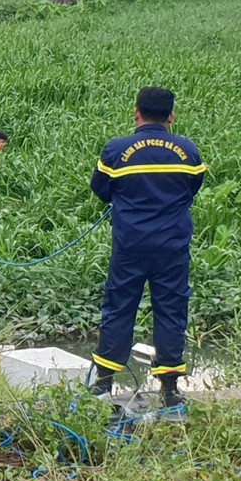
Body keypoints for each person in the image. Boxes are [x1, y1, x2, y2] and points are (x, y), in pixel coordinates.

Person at [90, 87, 206, 408]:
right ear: (171, 116)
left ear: (137, 112)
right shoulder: (188, 152)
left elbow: (101, 188)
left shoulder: (117, 150)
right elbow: (193, 187)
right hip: (172, 248)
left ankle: (103, 385)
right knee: (172, 310)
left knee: (119, 307)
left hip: (131, 246)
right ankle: (169, 391)